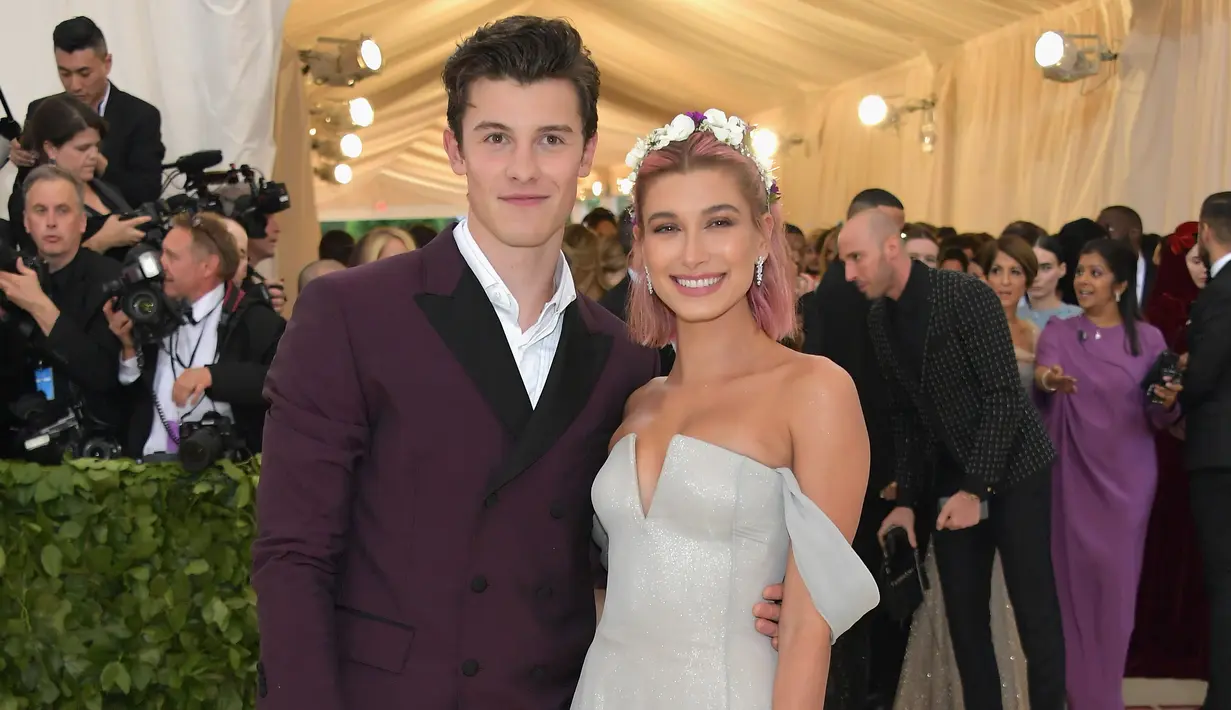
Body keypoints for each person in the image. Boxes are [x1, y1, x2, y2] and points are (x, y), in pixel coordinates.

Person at [251, 18, 779, 710]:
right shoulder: (350, 314)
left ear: (587, 152)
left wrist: (756, 594)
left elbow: (625, 551)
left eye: (550, 139)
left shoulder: (624, 354)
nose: (524, 168)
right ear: (455, 150)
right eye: (496, 138)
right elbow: (293, 557)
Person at [571, 110, 878, 709]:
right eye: (666, 228)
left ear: (763, 235)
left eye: (718, 222)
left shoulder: (815, 391)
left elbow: (807, 636)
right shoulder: (636, 402)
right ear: (641, 246)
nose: (692, 253)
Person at [841, 210, 1066, 710]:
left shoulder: (965, 295)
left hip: (1016, 472)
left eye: (857, 258)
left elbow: (1005, 397)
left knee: (1035, 615)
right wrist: (907, 500)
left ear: (890, 250)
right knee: (966, 622)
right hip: (950, 479)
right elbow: (906, 417)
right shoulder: (880, 318)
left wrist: (975, 490)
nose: (850, 273)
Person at [1035, 238, 1181, 710]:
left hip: (1129, 481)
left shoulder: (1150, 339)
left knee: (1116, 596)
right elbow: (1042, 375)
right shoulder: (1059, 331)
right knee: (1071, 589)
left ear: (1120, 283)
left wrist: (1168, 401)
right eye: (1080, 271)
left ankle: (1103, 695)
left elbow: (1159, 416)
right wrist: (1049, 381)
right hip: (1072, 475)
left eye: (1095, 273)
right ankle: (1079, 695)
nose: (1083, 281)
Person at [798, 189, 906, 710]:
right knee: (859, 587)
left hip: (821, 455)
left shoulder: (825, 295)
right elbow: (885, 384)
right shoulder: (866, 293)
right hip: (868, 456)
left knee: (826, 579)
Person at [9, 17, 165, 206]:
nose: (74, 86)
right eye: (64, 73)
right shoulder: (41, 111)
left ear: (107, 63)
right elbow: (22, 196)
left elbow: (147, 193)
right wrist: (23, 160)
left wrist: (100, 164)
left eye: (84, 74)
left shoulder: (140, 116)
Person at [1183, 191, 1231, 710]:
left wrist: (1178, 394)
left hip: (1220, 454)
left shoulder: (1222, 289)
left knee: (1223, 581)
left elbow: (1203, 376)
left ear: (1204, 231)